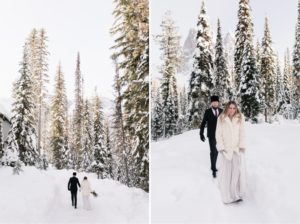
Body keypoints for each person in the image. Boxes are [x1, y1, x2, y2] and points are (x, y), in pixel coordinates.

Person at [216, 101, 246, 204]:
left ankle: (235, 194)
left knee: (236, 173)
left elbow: (242, 133)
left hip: (236, 149)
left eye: (234, 108)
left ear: (236, 109)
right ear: (227, 108)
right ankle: (226, 196)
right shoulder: (221, 118)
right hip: (226, 150)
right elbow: (218, 134)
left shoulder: (240, 118)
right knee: (227, 173)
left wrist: (242, 146)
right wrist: (221, 147)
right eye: (230, 108)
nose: (232, 110)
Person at [200, 95, 223, 178]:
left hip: (220, 135)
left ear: (218, 102)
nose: (215, 103)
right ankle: (213, 168)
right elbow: (203, 123)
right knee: (213, 151)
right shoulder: (208, 111)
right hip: (211, 135)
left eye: (216, 102)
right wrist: (201, 133)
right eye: (213, 102)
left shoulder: (221, 111)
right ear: (211, 103)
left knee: (216, 151)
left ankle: (213, 165)